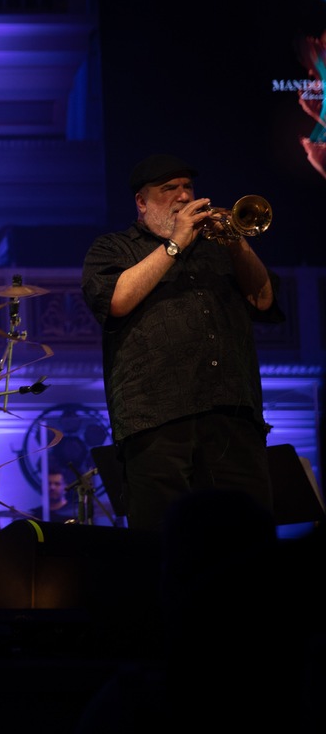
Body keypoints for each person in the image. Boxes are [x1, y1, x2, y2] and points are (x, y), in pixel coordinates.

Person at [81, 154, 283, 532]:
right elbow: (116, 300)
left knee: (247, 541)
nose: (182, 195)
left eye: (187, 186)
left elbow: (264, 299)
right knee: (161, 545)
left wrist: (237, 242)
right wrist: (174, 245)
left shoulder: (218, 249)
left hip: (232, 413)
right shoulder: (113, 249)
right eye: (168, 189)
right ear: (142, 202)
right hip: (155, 421)